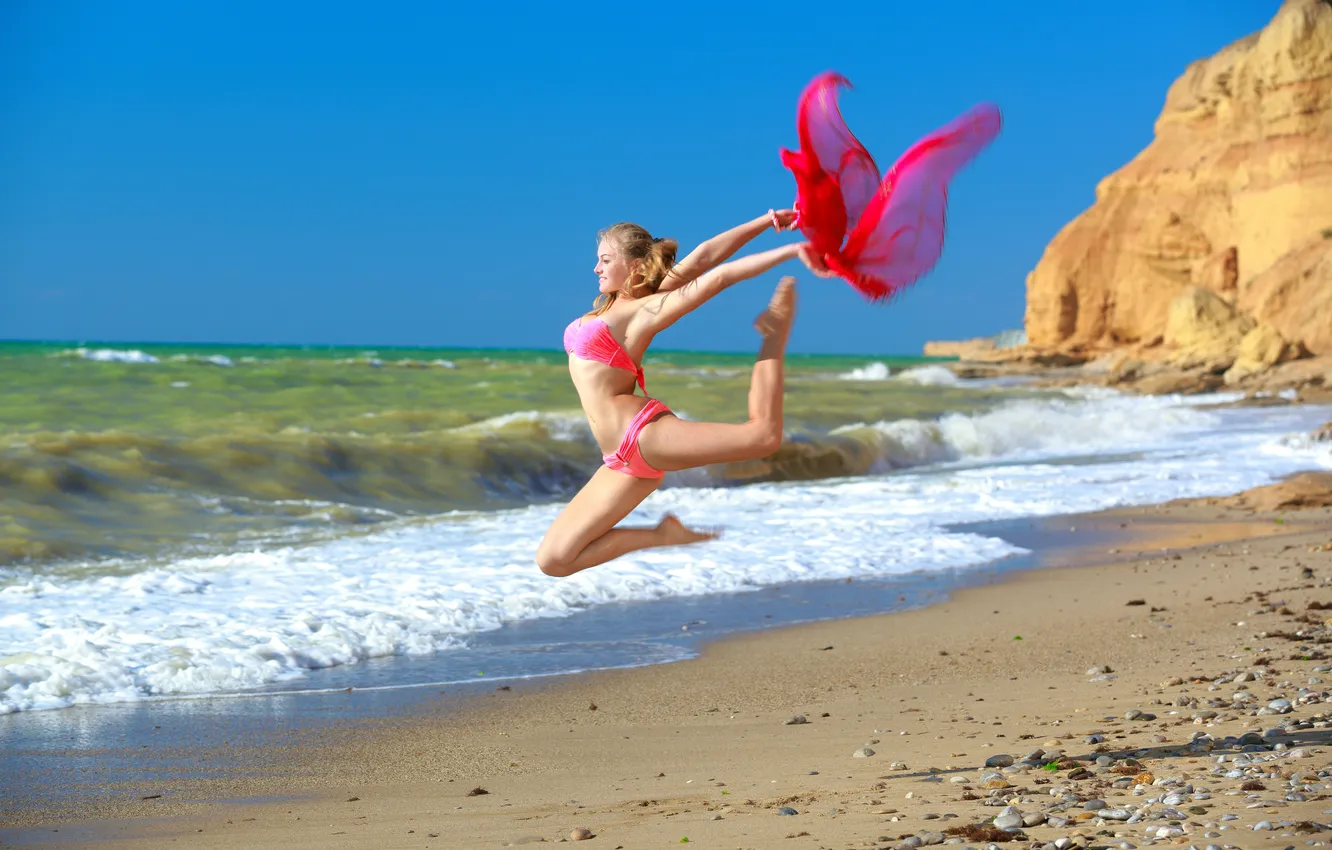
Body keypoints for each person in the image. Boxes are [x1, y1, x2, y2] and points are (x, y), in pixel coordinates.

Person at [536, 210, 831, 577]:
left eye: (606, 260)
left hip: (641, 436)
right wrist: (767, 221)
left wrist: (791, 251)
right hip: (618, 462)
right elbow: (706, 255)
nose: (596, 268)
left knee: (764, 436)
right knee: (553, 560)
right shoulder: (619, 304)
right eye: (597, 260)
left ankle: (773, 334)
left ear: (635, 265)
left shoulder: (647, 310)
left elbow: (717, 274)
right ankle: (662, 534)